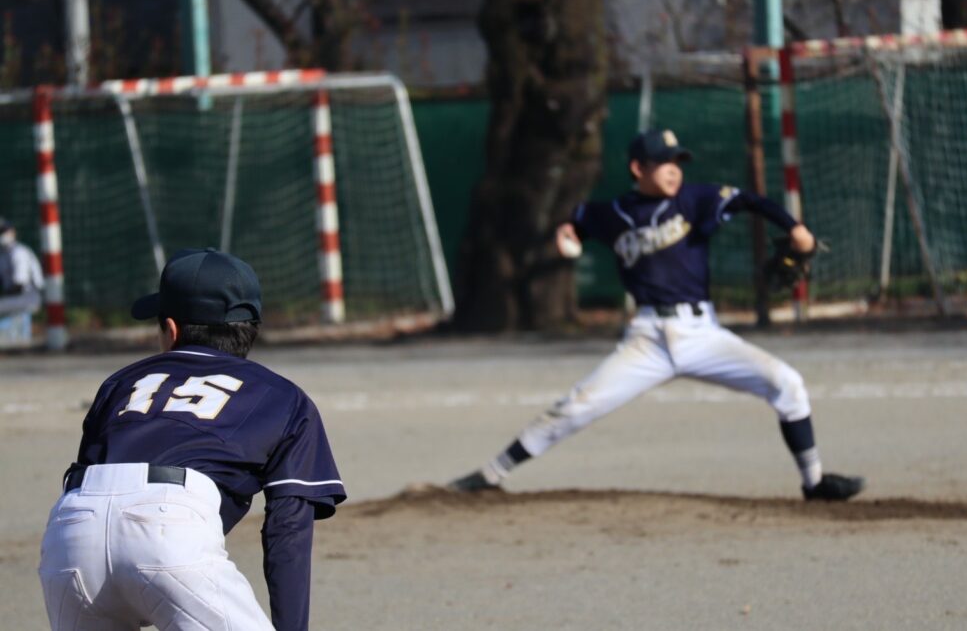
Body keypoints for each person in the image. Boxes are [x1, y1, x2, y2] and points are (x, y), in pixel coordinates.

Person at [448, 129, 864, 502]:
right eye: (664, 163)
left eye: (677, 162)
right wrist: (566, 232)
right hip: (647, 340)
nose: (673, 170)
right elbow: (577, 220)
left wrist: (795, 228)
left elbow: (749, 200)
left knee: (787, 383)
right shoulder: (612, 214)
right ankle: (491, 473)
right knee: (576, 407)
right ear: (638, 168)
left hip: (702, 334)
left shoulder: (695, 200)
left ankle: (814, 483)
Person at [38, 248, 347, 631]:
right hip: (171, 526)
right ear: (251, 327)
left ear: (170, 329)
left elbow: (97, 487)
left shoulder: (119, 383)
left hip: (72, 528)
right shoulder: (283, 397)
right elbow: (288, 528)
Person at [0, 217, 43, 344]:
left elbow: (19, 284)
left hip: (29, 296)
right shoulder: (2, 255)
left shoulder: (19, 252)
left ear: (12, 232)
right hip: (14, 297)